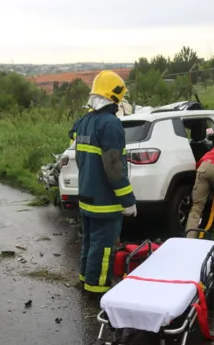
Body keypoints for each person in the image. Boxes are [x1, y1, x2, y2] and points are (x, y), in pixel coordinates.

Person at [75, 70, 137, 295]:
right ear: (115, 96)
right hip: (105, 200)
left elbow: (75, 137)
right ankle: (96, 288)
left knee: (89, 242)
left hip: (86, 195)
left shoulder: (85, 122)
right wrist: (128, 201)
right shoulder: (110, 124)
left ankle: (85, 278)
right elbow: (114, 167)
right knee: (103, 247)